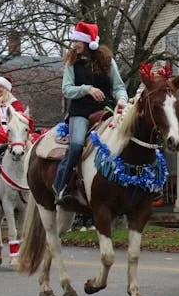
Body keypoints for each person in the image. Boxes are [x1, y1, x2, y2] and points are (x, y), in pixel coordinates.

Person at [53, 21, 128, 204]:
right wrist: (87, 89)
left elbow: (118, 87)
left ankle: (129, 186)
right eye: (74, 41)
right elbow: (67, 89)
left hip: (104, 111)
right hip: (80, 113)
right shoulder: (72, 63)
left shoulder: (108, 62)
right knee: (77, 145)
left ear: (88, 42)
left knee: (124, 140)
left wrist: (122, 100)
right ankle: (61, 186)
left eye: (77, 41)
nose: (74, 45)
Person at [0, 76, 33, 211]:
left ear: (7, 89)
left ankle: (31, 191)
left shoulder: (15, 104)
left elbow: (23, 123)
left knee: (32, 158)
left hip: (14, 139)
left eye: (0, 87)